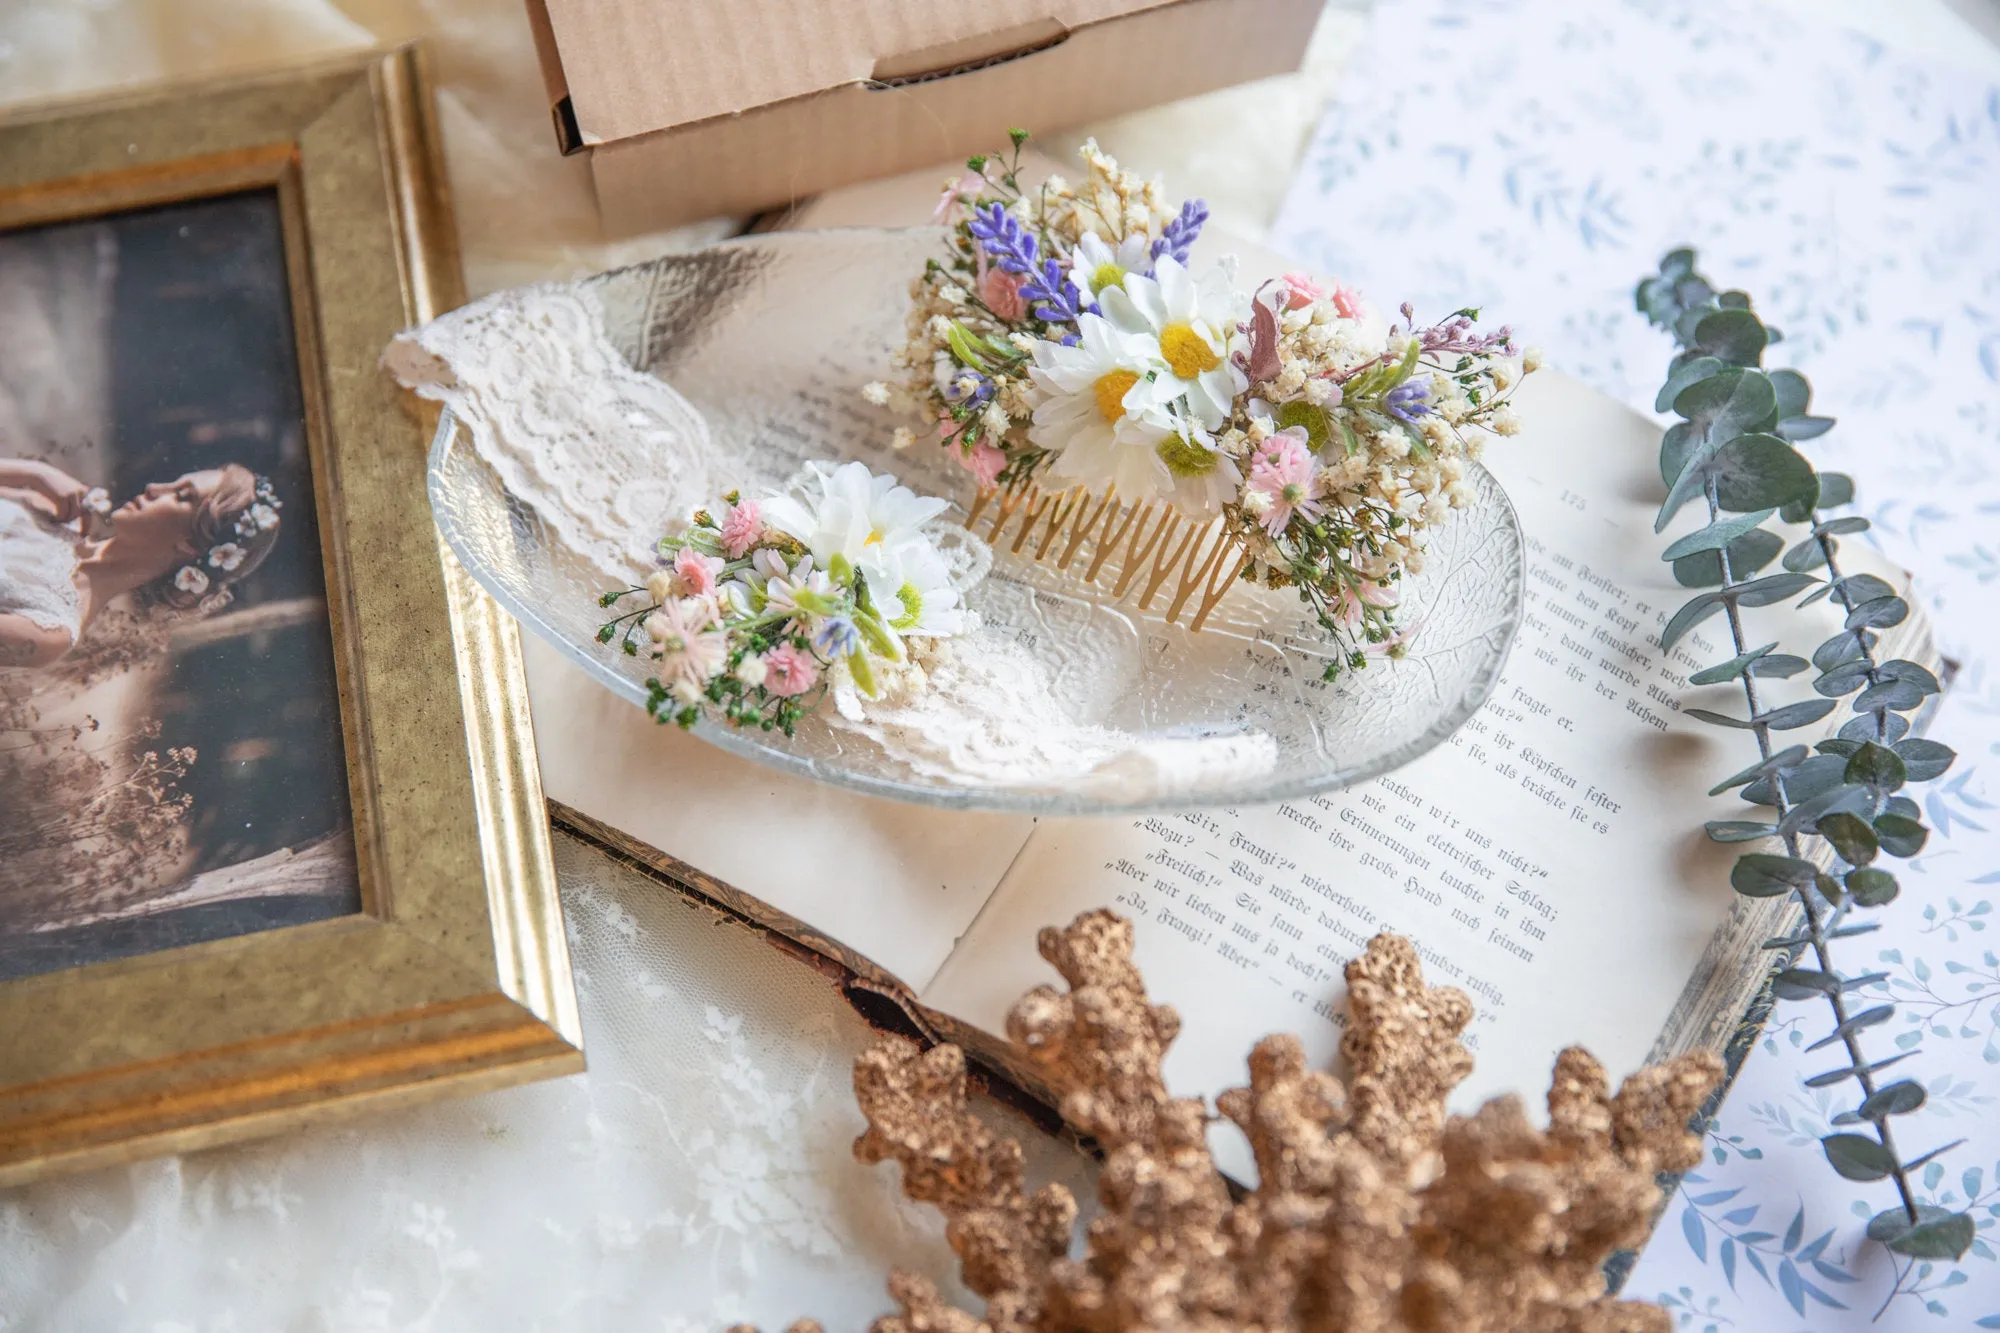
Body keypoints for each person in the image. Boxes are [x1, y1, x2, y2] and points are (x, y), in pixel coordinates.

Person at [0, 456, 281, 668]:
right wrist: (34, 474)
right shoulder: (56, 511)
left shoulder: (51, 629)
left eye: (181, 495)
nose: (154, 487)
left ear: (191, 546)